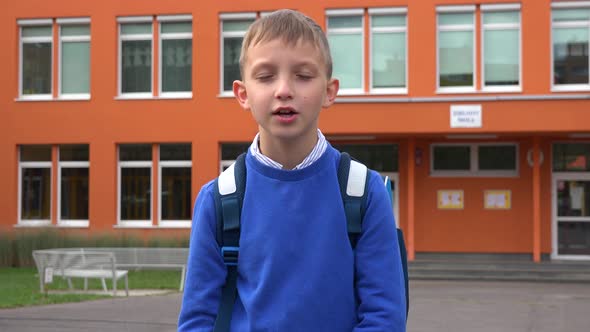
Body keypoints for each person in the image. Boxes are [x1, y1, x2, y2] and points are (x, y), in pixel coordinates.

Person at [178, 9, 406, 331]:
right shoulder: (219, 199)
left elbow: (384, 317)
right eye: (266, 76)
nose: (284, 89)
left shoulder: (363, 193)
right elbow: (197, 320)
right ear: (243, 94)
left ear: (330, 91)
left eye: (303, 75)